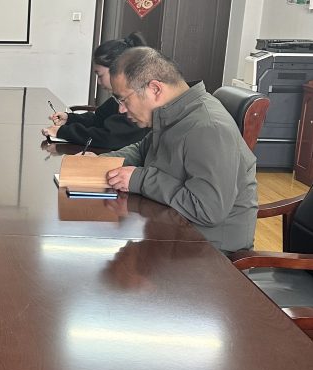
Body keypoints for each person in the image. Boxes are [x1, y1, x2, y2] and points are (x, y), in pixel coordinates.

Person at [99, 46, 258, 253]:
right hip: (172, 233)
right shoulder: (175, 113)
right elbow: (142, 150)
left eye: (123, 99)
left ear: (155, 89)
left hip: (208, 253)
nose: (121, 109)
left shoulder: (208, 127)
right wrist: (99, 162)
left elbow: (208, 210)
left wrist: (140, 179)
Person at [41, 32, 148, 150]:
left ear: (119, 71)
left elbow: (109, 138)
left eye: (100, 75)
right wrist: (69, 119)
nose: (99, 82)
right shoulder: (118, 98)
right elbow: (98, 119)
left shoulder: (138, 102)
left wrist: (63, 132)